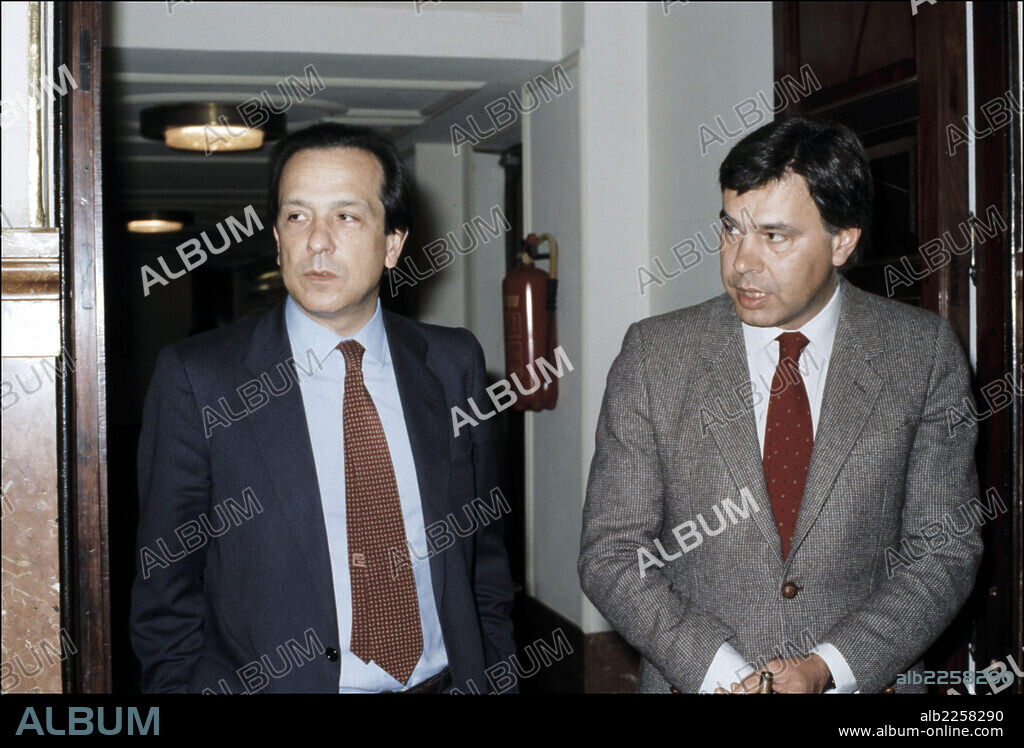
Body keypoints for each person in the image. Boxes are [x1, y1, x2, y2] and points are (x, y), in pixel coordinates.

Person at [578, 116, 984, 693]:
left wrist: (827, 669)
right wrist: (726, 672)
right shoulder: (655, 356)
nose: (742, 262)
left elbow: (944, 550)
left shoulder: (919, 352)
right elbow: (612, 553)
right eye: (730, 230)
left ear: (842, 240)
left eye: (775, 236)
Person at [130, 123, 516, 694]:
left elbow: (482, 557)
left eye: (346, 216)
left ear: (392, 244)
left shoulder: (452, 362)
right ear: (278, 238)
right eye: (297, 216)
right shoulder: (200, 378)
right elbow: (165, 592)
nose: (317, 242)